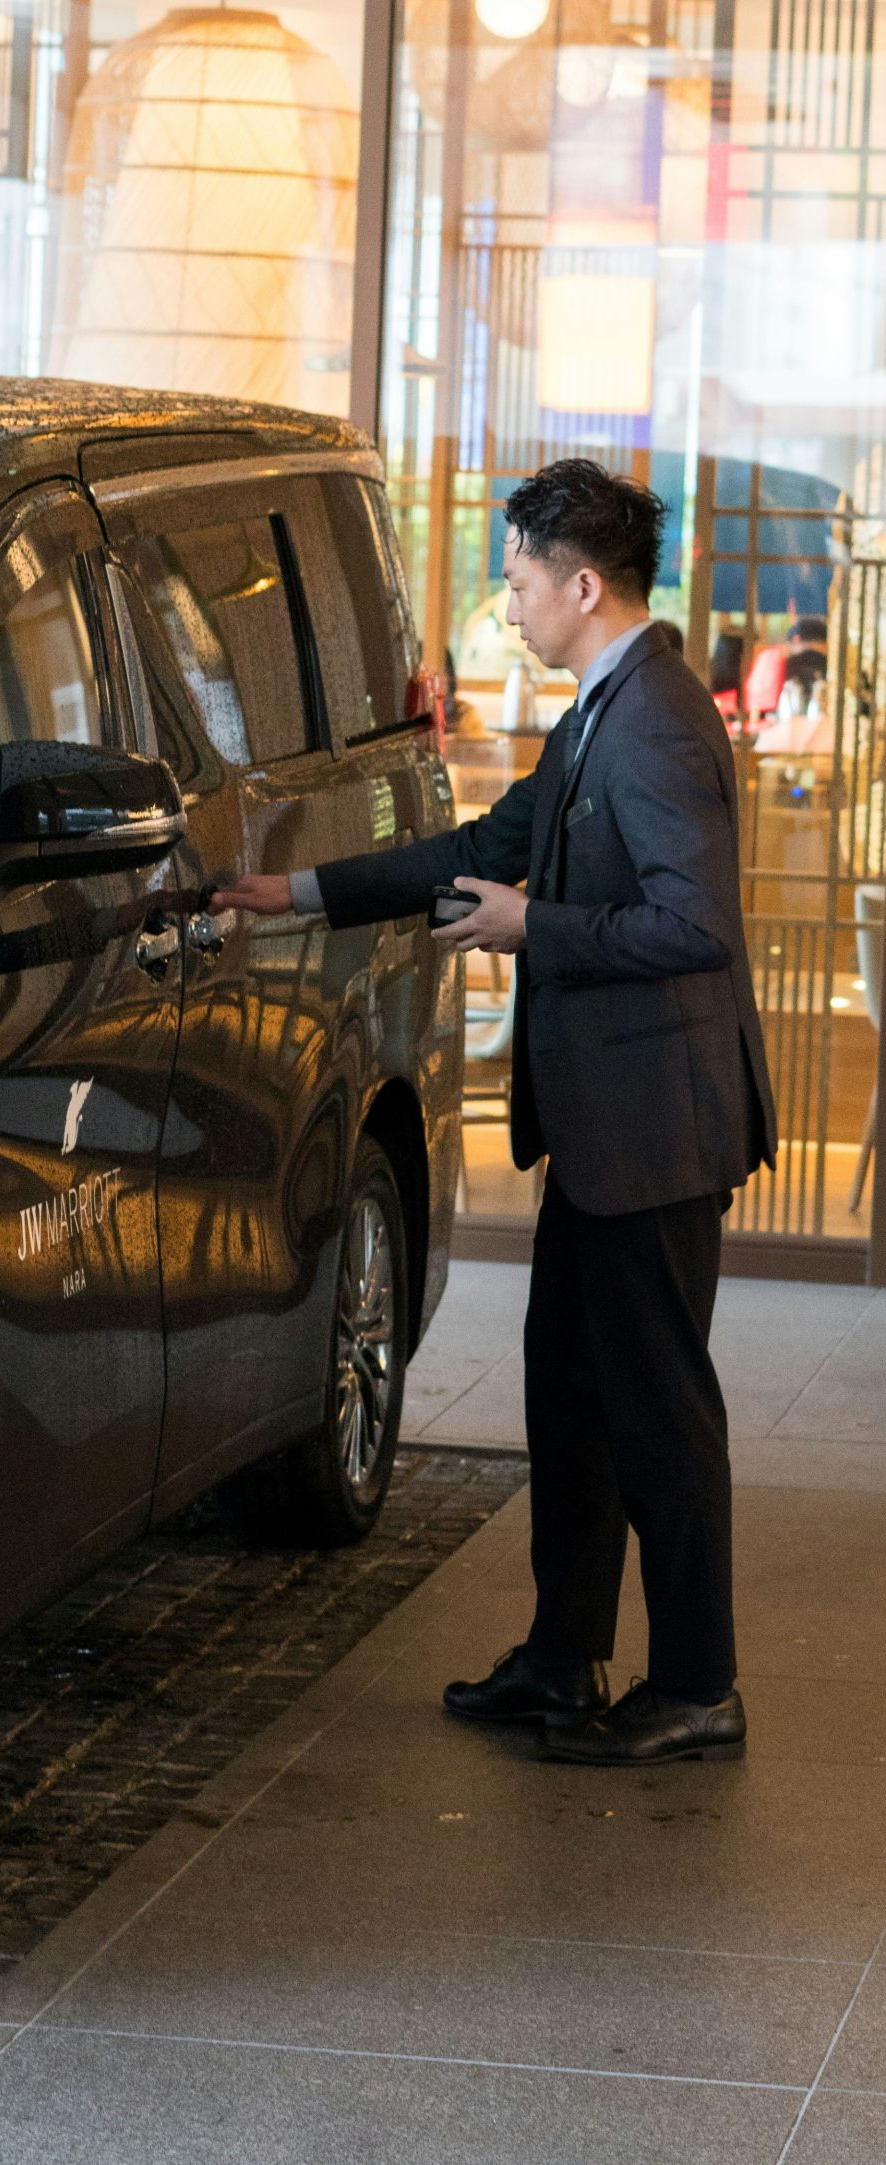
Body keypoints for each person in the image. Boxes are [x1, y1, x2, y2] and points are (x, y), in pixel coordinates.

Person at [215, 458, 777, 1767]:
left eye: (519, 582)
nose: (506, 604)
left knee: (657, 1413)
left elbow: (695, 929)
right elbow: (489, 838)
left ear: (583, 585)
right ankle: (563, 1662)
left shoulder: (655, 722)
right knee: (570, 1396)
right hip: (604, 1130)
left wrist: (536, 929)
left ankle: (699, 1684)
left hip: (656, 1129)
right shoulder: (601, 706)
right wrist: (294, 896)